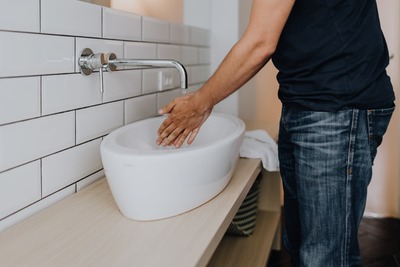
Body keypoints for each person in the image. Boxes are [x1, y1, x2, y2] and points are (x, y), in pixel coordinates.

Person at [157, 0, 395, 266]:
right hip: (309, 103)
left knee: (325, 257)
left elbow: (261, 42)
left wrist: (200, 103)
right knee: (302, 242)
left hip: (336, 107)